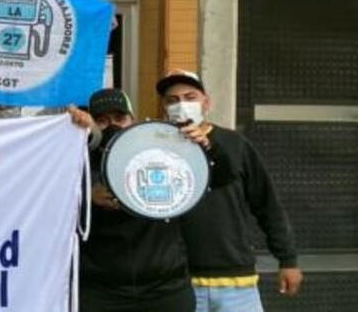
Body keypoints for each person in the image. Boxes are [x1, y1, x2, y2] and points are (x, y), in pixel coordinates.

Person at [158, 70, 303, 311]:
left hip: (237, 283)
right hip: (178, 284)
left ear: (206, 102)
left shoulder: (235, 144)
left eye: (190, 97)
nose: (181, 105)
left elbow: (267, 205)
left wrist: (288, 260)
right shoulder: (155, 148)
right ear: (164, 107)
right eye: (172, 100)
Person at [80, 88, 234, 312]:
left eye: (120, 118)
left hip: (165, 288)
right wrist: (88, 197)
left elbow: (222, 177)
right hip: (102, 291)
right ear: (92, 125)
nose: (112, 126)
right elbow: (56, 213)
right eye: (102, 121)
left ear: (132, 121)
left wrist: (208, 148)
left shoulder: (163, 155)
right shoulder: (78, 163)